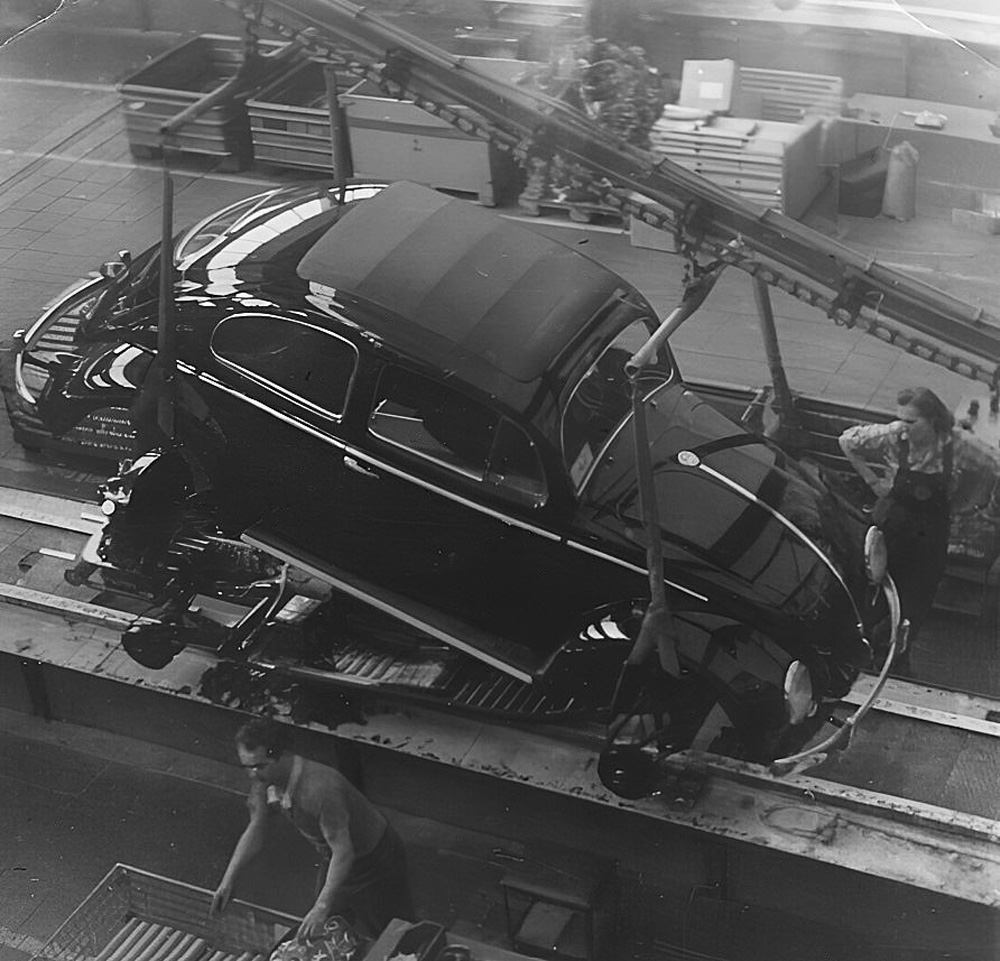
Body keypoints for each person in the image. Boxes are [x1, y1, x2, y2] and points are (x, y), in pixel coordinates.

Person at [210, 716, 413, 940]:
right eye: (247, 766)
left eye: (259, 766)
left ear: (282, 755)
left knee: (392, 933)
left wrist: (321, 907)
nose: (253, 775)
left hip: (374, 859)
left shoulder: (320, 789)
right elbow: (256, 827)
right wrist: (228, 881)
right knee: (321, 927)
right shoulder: (264, 781)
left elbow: (344, 852)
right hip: (333, 855)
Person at [838, 386, 1000, 664]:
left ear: (933, 420)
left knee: (918, 594)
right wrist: (872, 481)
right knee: (872, 584)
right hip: (892, 519)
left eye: (911, 421)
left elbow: (995, 464)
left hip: (931, 528)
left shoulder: (957, 444)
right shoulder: (892, 434)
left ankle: (898, 655)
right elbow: (847, 441)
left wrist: (976, 503)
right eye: (900, 418)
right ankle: (854, 646)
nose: (904, 426)